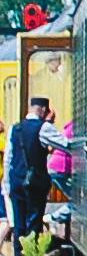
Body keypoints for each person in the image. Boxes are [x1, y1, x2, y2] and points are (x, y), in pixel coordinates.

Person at [4, 97, 49, 243]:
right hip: (34, 182)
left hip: (16, 181)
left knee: (19, 225)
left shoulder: (15, 128)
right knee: (33, 224)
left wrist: (6, 183)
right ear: (43, 110)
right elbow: (65, 145)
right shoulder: (43, 127)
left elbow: (8, 158)